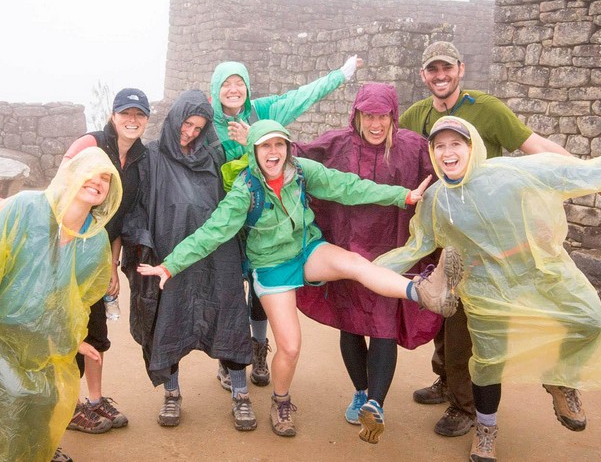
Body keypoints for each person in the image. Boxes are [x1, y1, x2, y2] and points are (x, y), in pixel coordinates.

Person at [399, 41, 601, 438]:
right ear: (423, 75)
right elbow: (393, 154)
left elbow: (538, 150)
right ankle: (449, 383)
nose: (440, 76)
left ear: (460, 69)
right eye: (432, 69)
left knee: (476, 328)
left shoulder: (485, 108)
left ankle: (469, 404)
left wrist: (599, 182)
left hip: (494, 239)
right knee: (444, 321)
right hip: (445, 228)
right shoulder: (415, 115)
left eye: (446, 68)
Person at [138, 119, 461, 438]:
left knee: (354, 263)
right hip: (271, 266)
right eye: (266, 145)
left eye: (279, 144)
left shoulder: (302, 171)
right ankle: (281, 401)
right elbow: (211, 233)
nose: (274, 152)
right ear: (254, 151)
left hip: (307, 250)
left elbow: (347, 186)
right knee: (290, 347)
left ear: (288, 148)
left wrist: (403, 196)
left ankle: (423, 292)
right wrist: (169, 266)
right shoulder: (244, 191)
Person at [376, 116, 601, 462]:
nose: (447, 153)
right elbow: (416, 246)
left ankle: (559, 379)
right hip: (484, 291)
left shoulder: (509, 173)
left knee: (590, 320)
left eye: (456, 143)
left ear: (473, 146)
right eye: (439, 146)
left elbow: (575, 173)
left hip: (537, 275)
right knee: (487, 364)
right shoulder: (436, 200)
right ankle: (486, 431)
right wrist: (364, 272)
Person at [0, 146, 122, 462]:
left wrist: (74, 339)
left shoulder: (95, 241)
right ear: (70, 175)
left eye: (105, 179)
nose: (97, 182)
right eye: (90, 173)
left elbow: (77, 300)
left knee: (46, 396)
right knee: (14, 394)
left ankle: (37, 454)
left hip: (36, 332)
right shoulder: (25, 208)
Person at [293, 82, 440, 444]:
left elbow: (444, 171)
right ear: (357, 115)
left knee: (384, 325)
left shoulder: (413, 147)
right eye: (368, 116)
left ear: (393, 116)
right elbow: (292, 154)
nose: (376, 124)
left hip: (392, 252)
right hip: (347, 249)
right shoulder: (338, 143)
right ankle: (361, 392)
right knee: (352, 323)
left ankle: (376, 402)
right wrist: (254, 137)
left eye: (383, 116)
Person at [211, 54, 363, 390]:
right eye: (226, 83)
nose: (234, 89)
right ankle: (230, 358)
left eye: (240, 83)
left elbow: (301, 96)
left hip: (263, 220)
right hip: (228, 218)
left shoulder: (260, 112)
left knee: (261, 293)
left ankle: (259, 348)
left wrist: (341, 73)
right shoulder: (207, 122)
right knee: (230, 291)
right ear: (214, 90)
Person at [121, 90, 255, 431]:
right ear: (175, 117)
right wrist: (142, 244)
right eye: (186, 123)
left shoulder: (215, 155)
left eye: (198, 127)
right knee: (169, 321)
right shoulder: (150, 157)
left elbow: (241, 192)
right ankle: (172, 393)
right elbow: (133, 205)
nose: (190, 132)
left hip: (216, 255)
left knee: (229, 317)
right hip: (169, 257)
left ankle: (240, 394)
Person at [61, 87, 149, 433]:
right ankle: (67, 408)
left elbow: (119, 221)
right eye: (125, 113)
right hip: (68, 251)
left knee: (95, 333)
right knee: (66, 332)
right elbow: (59, 191)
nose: (132, 120)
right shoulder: (90, 143)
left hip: (98, 255)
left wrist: (110, 266)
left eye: (139, 115)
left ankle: (94, 402)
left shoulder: (141, 159)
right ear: (113, 116)